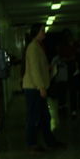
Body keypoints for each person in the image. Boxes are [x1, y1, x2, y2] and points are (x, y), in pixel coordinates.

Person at [22, 23, 65, 152]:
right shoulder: (33, 48)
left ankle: (50, 142)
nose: (44, 33)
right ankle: (32, 144)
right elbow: (34, 70)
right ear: (36, 32)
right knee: (34, 117)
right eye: (42, 31)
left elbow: (38, 67)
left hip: (36, 87)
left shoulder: (38, 46)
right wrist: (41, 87)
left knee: (44, 117)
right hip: (33, 88)